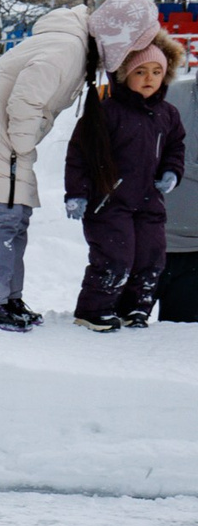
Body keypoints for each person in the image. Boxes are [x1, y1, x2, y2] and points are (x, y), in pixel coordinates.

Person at [0, 0, 115, 331]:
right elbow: (26, 98)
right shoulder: (67, 48)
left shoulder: (74, 45)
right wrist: (22, 144)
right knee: (5, 218)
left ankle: (7, 298)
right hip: (0, 133)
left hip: (2, 132)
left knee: (17, 217)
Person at [63, 34, 186, 332]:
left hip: (149, 201)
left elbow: (175, 147)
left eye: (156, 72)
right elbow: (80, 154)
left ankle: (133, 308)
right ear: (123, 76)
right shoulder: (106, 112)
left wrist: (171, 172)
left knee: (150, 257)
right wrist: (77, 193)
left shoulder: (168, 114)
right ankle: (94, 310)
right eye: (140, 72)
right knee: (115, 257)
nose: (149, 78)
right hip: (109, 201)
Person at [162, 58, 198, 321]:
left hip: (194, 256)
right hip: (144, 243)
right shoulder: (167, 96)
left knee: (175, 334)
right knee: (121, 331)